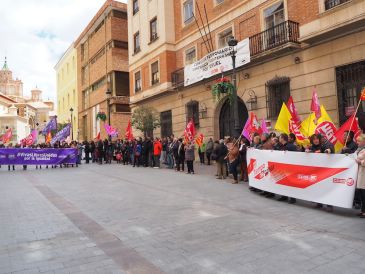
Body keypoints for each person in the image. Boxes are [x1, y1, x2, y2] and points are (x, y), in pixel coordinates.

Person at [306, 134, 334, 211]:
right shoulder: (311, 147)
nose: (316, 140)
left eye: (317, 139)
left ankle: (329, 205)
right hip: (315, 172)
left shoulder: (324, 145)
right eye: (314, 139)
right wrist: (306, 151)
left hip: (325, 171)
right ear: (312, 140)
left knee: (326, 187)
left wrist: (329, 150)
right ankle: (319, 203)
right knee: (317, 187)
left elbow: (330, 148)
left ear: (319, 139)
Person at [277, 133, 297, 204]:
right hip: (282, 167)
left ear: (282, 138)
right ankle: (284, 196)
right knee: (283, 181)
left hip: (290, 168)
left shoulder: (291, 146)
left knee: (291, 182)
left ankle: (292, 198)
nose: (279, 139)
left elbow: (296, 155)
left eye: (280, 137)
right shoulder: (280, 146)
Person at [355, 134, 365, 217]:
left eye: (359, 141)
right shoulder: (359, 149)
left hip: (364, 174)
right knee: (362, 193)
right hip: (361, 173)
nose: (357, 142)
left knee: (364, 194)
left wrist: (360, 162)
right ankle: (363, 210)